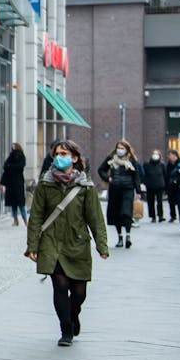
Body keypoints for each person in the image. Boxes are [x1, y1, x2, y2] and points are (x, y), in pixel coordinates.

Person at [26, 139, 109, 346]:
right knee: (60, 285)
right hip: (51, 242)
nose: (59, 157)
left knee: (79, 292)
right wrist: (32, 245)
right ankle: (66, 329)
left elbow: (95, 218)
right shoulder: (45, 183)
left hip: (77, 242)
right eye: (56, 154)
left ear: (75, 158)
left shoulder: (85, 186)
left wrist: (102, 245)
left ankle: (74, 313)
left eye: (63, 154)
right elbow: (36, 216)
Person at [96, 140, 143, 248]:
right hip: (115, 189)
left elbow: (136, 176)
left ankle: (128, 236)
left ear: (127, 149)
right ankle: (120, 237)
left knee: (126, 212)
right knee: (116, 213)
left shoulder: (132, 160)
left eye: (122, 148)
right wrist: (108, 178)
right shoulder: (111, 159)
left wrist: (138, 191)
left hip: (128, 188)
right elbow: (101, 170)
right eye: (118, 148)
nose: (120, 150)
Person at [0, 143, 28, 226]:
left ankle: (23, 220)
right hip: (13, 184)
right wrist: (2, 183)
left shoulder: (20, 156)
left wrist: (10, 167)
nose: (12, 147)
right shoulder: (11, 156)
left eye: (14, 146)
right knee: (15, 204)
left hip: (16, 183)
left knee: (19, 204)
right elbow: (5, 167)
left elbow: (18, 167)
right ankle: (18, 220)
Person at [142, 148, 167, 222]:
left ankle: (160, 215)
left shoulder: (162, 165)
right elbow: (144, 174)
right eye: (154, 154)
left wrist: (165, 185)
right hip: (150, 185)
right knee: (150, 201)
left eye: (157, 154)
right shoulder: (147, 164)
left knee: (160, 201)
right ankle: (153, 216)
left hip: (160, 185)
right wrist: (144, 182)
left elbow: (165, 174)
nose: (155, 155)